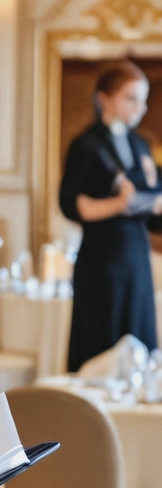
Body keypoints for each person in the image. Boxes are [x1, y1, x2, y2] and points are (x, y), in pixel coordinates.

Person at [60, 60, 162, 372]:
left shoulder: (140, 144)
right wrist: (119, 204)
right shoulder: (86, 145)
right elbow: (69, 203)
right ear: (104, 98)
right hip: (101, 259)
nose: (140, 108)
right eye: (131, 98)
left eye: (143, 100)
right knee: (101, 342)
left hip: (136, 258)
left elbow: (153, 213)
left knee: (138, 343)